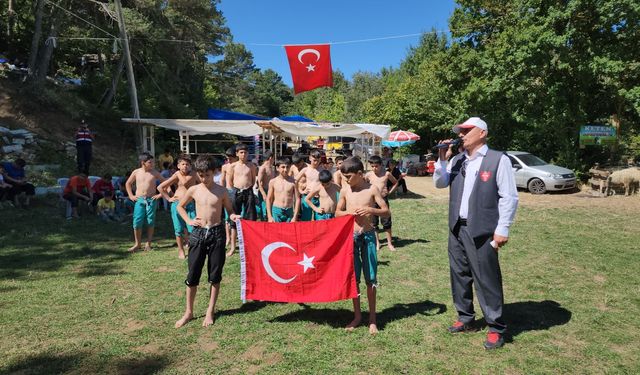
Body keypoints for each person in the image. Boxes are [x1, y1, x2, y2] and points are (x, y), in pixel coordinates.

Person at [433, 117, 519, 350]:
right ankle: (465, 318)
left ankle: (495, 327)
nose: (461, 134)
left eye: (466, 130)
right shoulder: (458, 159)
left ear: (482, 132)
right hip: (457, 228)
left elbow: (509, 196)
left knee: (486, 278)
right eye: (460, 131)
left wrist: (503, 228)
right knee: (459, 274)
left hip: (482, 229)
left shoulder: (497, 159)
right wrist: (442, 159)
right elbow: (440, 183)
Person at [174, 156, 240, 328]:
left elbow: (229, 210)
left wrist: (233, 216)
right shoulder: (194, 190)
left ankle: (210, 311)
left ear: (214, 173)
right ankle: (188, 312)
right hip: (198, 234)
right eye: (201, 175)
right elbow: (179, 206)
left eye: (208, 175)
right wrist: (188, 221)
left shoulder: (222, 191)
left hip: (217, 234)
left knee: (215, 275)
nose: (204, 179)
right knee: (193, 274)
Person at [335, 157, 390, 335]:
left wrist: (371, 210)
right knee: (354, 279)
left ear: (359, 174)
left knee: (371, 279)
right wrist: (347, 213)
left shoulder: (371, 190)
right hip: (351, 238)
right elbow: (337, 212)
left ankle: (372, 318)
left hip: (367, 237)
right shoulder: (345, 191)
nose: (346, 179)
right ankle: (357, 315)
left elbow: (386, 211)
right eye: (344, 176)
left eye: (349, 176)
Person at [158, 155, 198, 259]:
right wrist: (168, 198)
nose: (185, 166)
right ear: (178, 165)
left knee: (194, 227)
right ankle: (181, 250)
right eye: (183, 164)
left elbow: (186, 182)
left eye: (187, 164)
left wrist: (177, 173)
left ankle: (194, 249)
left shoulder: (193, 174)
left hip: (190, 205)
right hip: (177, 204)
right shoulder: (176, 175)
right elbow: (161, 187)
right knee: (178, 229)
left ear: (190, 166)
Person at [125, 152, 165, 253]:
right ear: (143, 162)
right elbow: (128, 183)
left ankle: (148, 243)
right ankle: (137, 244)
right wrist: (131, 195)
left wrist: (160, 195)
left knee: (150, 221)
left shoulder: (155, 172)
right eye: (150, 162)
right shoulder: (136, 172)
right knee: (137, 221)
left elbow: (165, 183)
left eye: (153, 162)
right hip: (139, 200)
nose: (152, 164)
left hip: (151, 200)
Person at [225, 143, 257, 256]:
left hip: (248, 192)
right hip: (236, 192)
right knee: (234, 219)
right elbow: (229, 181)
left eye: (245, 152)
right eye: (241, 152)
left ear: (248, 153)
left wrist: (247, 189)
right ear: (237, 154)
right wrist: (234, 191)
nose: (243, 154)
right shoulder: (232, 166)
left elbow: (253, 180)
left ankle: (251, 246)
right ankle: (233, 247)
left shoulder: (251, 166)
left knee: (251, 219)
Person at [366, 155, 400, 252]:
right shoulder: (368, 175)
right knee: (374, 222)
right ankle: (377, 242)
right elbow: (364, 184)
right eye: (372, 166)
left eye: (376, 166)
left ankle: (390, 243)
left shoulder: (387, 174)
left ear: (381, 165)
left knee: (387, 222)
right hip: (372, 201)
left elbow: (395, 182)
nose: (374, 168)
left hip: (383, 200)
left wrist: (390, 192)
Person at [266, 157, 300, 223]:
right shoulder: (273, 182)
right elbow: (268, 199)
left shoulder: (293, 182)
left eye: (287, 167)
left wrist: (295, 216)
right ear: (277, 168)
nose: (285, 169)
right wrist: (269, 216)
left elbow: (297, 199)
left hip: (289, 210)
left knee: (289, 232)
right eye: (283, 167)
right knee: (276, 231)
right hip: (276, 210)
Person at [295, 149, 324, 221]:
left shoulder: (322, 169)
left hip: (319, 197)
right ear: (310, 158)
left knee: (320, 218)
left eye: (318, 160)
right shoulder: (306, 169)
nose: (316, 162)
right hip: (307, 196)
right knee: (306, 219)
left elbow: (329, 180)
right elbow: (295, 181)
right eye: (314, 160)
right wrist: (300, 191)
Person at [220, 147, 237, 250]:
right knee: (227, 217)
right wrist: (222, 192)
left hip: (236, 191)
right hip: (227, 191)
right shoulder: (225, 167)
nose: (229, 160)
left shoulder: (238, 166)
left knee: (236, 215)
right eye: (227, 158)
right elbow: (222, 180)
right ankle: (228, 237)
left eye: (231, 158)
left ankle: (236, 236)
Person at [256, 150, 275, 221]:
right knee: (264, 211)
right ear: (270, 158)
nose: (274, 160)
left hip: (272, 191)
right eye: (273, 158)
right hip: (264, 190)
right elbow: (259, 182)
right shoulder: (262, 168)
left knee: (271, 210)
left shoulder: (272, 167)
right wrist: (263, 193)